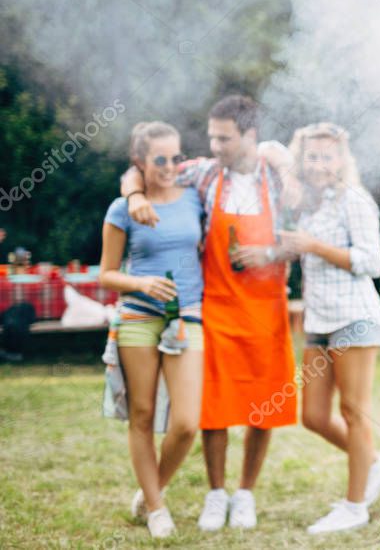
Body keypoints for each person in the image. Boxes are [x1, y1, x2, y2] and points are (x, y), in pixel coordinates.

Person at [122, 95, 295, 531]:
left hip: (266, 309)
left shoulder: (277, 175)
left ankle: (245, 493)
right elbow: (139, 167)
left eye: (224, 138)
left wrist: (270, 252)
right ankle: (216, 494)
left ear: (250, 136)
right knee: (212, 407)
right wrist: (134, 193)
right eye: (212, 136)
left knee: (263, 407)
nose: (214, 145)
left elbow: (303, 238)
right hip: (214, 304)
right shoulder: (203, 173)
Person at [275, 122, 380, 534]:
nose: (320, 163)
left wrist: (313, 246)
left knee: (352, 412)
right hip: (319, 321)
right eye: (312, 156)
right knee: (312, 415)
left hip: (355, 319)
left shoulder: (355, 200)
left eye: (328, 155)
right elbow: (268, 152)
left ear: (342, 159)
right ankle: (375, 465)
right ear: (302, 160)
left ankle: (354, 505)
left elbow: (372, 262)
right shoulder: (309, 205)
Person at [99, 122, 204, 539]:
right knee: (141, 416)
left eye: (175, 157)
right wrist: (140, 283)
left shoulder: (195, 198)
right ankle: (157, 508)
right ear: (139, 162)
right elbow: (106, 274)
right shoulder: (121, 208)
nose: (169, 166)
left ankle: (149, 491)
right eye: (159, 160)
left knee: (186, 422)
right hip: (138, 318)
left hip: (187, 317)